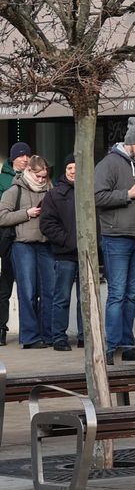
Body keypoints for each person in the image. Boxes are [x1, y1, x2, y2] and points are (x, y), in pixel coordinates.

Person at [93, 117, 135, 363]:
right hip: (117, 238)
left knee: (132, 295)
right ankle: (111, 348)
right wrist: (127, 194)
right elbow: (97, 196)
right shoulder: (109, 164)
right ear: (130, 142)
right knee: (117, 294)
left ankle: (126, 346)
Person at [0, 155, 53, 348]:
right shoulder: (14, 190)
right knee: (28, 292)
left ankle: (48, 335)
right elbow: (2, 217)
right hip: (22, 245)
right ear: (29, 171)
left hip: (46, 245)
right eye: (38, 176)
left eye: (44, 177)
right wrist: (26, 213)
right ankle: (30, 337)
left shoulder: (50, 190)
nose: (41, 180)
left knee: (49, 292)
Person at [39, 155, 84, 351]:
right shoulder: (53, 195)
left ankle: (85, 337)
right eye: (69, 168)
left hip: (87, 256)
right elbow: (47, 224)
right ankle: (59, 337)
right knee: (61, 298)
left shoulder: (90, 192)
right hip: (64, 254)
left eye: (76, 167)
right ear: (65, 171)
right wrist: (68, 241)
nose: (73, 171)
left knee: (86, 300)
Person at [0, 141, 31, 346]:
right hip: (6, 238)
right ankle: (1, 329)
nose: (25, 159)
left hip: (26, 238)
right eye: (21, 156)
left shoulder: (34, 177)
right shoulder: (3, 180)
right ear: (13, 159)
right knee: (4, 287)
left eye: (27, 156)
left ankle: (29, 332)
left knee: (27, 288)